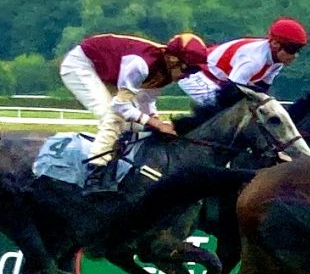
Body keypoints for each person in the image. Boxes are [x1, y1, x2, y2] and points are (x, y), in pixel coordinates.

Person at [59, 31, 211, 173]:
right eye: (190, 70)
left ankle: (121, 164)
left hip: (106, 71)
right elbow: (120, 106)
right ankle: (95, 169)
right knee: (114, 117)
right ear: (174, 60)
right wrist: (157, 124)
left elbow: (146, 100)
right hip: (81, 65)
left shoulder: (166, 71)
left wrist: (157, 121)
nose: (188, 76)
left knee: (135, 125)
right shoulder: (141, 64)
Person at [176, 18, 309, 112]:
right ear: (275, 44)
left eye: (298, 50)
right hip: (194, 73)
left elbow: (261, 90)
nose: (295, 55)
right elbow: (231, 91)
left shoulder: (277, 62)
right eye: (292, 50)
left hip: (218, 79)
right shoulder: (253, 60)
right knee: (223, 110)